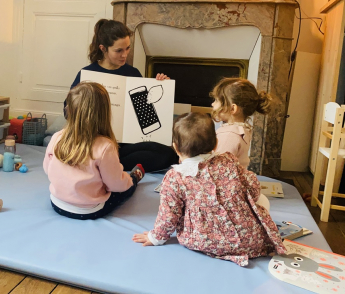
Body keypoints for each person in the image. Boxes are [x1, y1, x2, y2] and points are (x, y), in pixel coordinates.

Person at [132, 112, 285, 267]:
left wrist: (155, 237)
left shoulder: (175, 177)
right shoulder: (228, 160)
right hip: (249, 240)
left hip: (201, 240)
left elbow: (168, 215)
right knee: (262, 199)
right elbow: (253, 187)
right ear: (215, 144)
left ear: (175, 148)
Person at [67, 18, 178, 172]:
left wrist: (160, 86)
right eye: (119, 50)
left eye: (127, 48)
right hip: (96, 141)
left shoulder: (133, 73)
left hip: (125, 143)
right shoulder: (88, 74)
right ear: (103, 48)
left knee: (168, 153)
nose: (124, 55)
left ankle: (107, 164)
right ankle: (105, 162)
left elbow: (146, 112)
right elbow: (68, 111)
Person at [44, 82, 145, 220]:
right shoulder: (105, 147)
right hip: (89, 210)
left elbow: (47, 169)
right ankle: (135, 177)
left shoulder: (57, 137)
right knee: (126, 188)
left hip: (57, 203)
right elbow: (115, 184)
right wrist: (128, 181)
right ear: (103, 113)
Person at [211, 77, 272, 169]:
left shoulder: (228, 135)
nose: (212, 104)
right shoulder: (240, 129)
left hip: (226, 182)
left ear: (232, 109)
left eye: (216, 100)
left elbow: (217, 168)